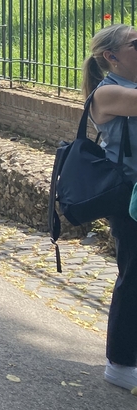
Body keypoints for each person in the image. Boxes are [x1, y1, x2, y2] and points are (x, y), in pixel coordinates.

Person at [82, 23, 137, 391]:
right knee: (134, 277)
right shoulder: (107, 94)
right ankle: (120, 363)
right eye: (136, 43)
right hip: (129, 198)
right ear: (111, 56)